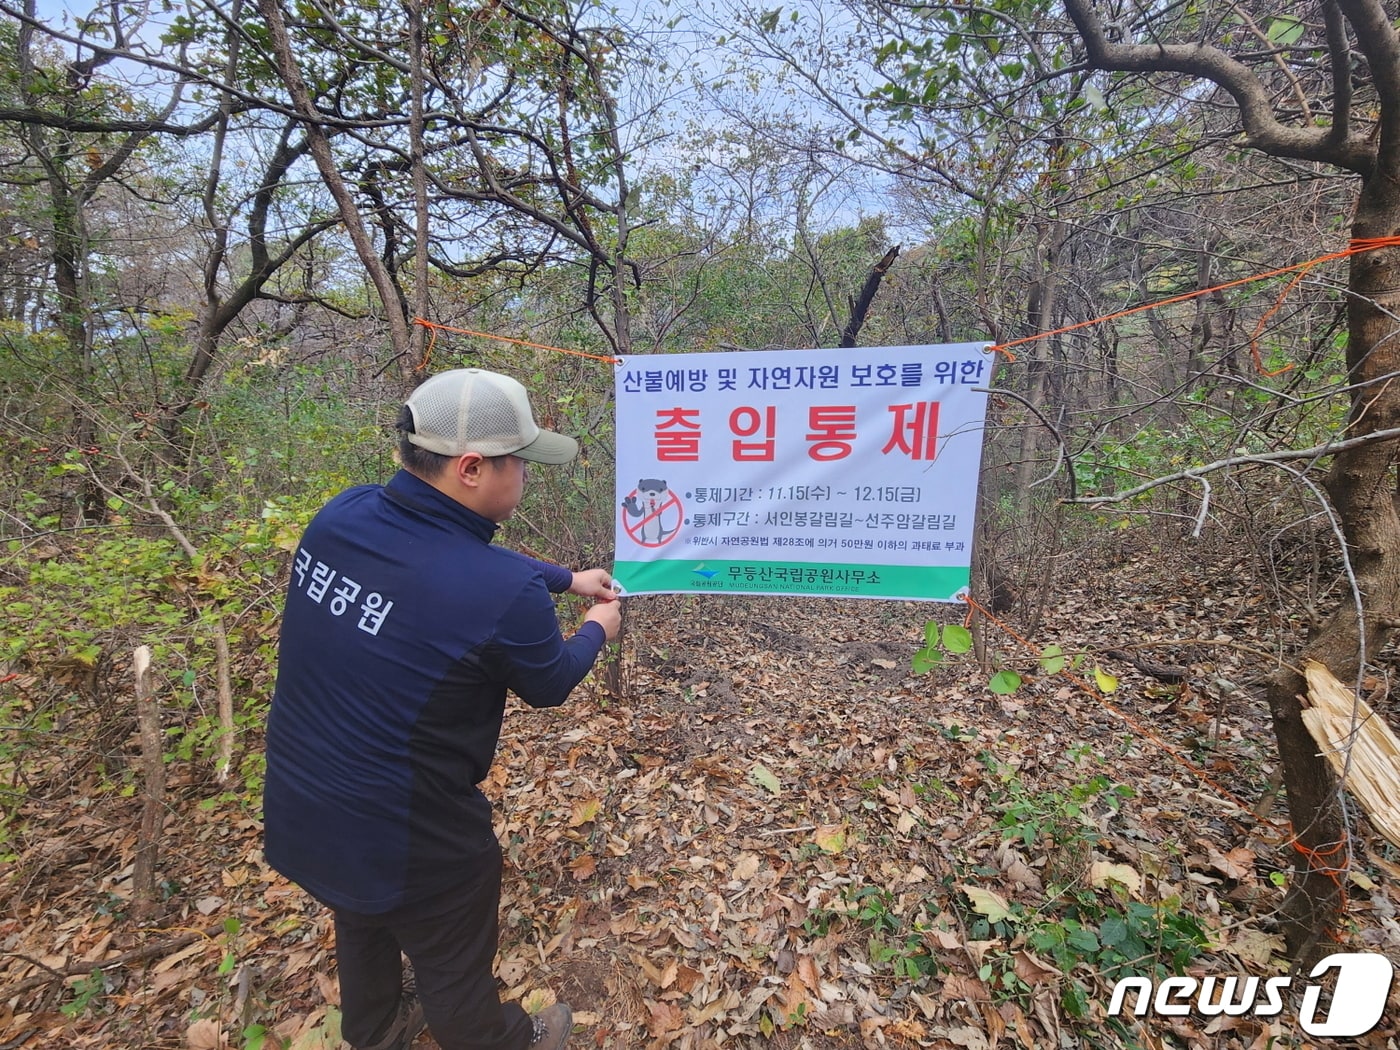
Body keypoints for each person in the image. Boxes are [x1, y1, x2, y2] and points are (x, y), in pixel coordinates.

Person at [262, 368, 622, 1050]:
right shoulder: (499, 594)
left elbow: (461, 561)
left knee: (362, 911)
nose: (526, 476)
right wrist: (600, 624)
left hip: (305, 800)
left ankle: (374, 1032)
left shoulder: (343, 514)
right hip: (409, 832)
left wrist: (565, 579)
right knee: (451, 956)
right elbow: (550, 682)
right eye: (520, 462)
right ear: (472, 468)